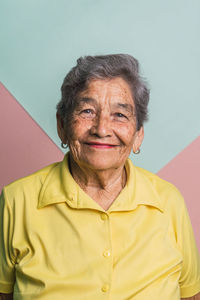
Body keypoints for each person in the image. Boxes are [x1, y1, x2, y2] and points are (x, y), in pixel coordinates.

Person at [0, 54, 200, 300]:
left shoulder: (168, 201)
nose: (102, 129)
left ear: (138, 135)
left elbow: (190, 295)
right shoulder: (16, 201)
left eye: (120, 115)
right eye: (87, 111)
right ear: (62, 126)